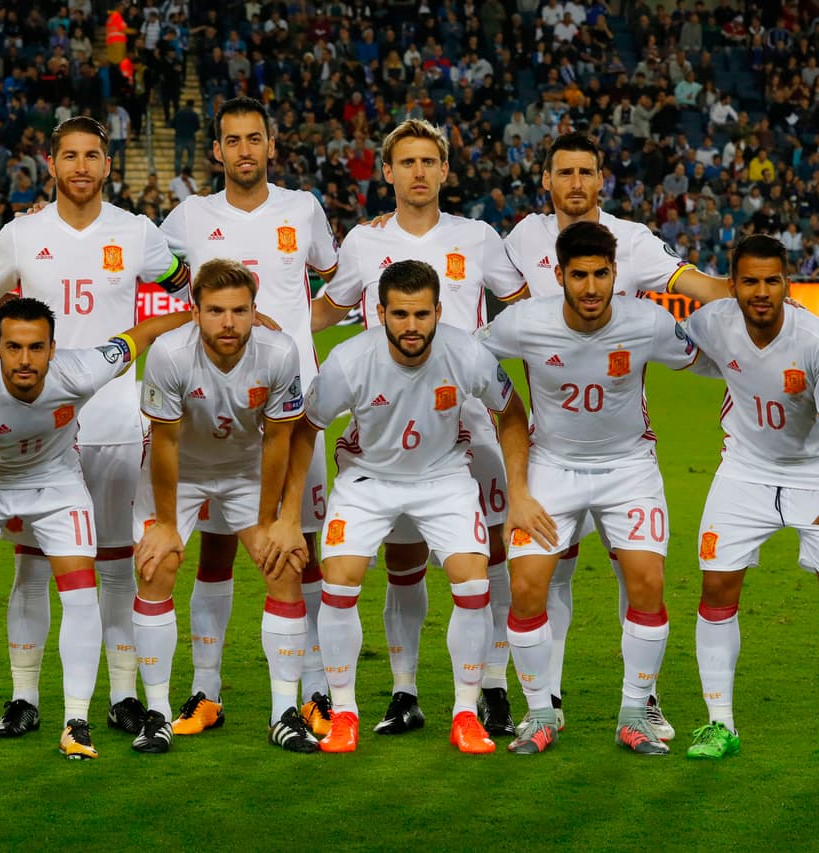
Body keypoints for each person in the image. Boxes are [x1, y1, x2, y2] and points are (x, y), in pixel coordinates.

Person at [494, 131, 732, 739]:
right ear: (546, 180)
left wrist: (756, 306)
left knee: (642, 577)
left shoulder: (634, 250)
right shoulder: (521, 240)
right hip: (551, 451)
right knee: (541, 580)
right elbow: (469, 328)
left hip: (626, 453)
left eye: (586, 173)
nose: (575, 183)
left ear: (603, 179)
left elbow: (696, 298)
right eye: (564, 173)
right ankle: (542, 702)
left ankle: (640, 703)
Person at [0, 115, 190, 739]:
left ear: (107, 164)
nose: (82, 166)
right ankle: (24, 696)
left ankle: (121, 694)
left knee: (117, 562)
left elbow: (183, 282)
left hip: (117, 420)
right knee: (34, 564)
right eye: (70, 155)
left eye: (93, 155)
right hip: (38, 429)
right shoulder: (22, 233)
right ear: (52, 164)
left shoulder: (136, 231)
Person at [263, 259, 536, 754]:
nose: (412, 327)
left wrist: (518, 493)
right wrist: (287, 515)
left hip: (444, 477)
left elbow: (512, 411)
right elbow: (306, 428)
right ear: (380, 312)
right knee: (339, 580)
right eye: (400, 314)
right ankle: (344, 712)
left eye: (421, 314)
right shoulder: (349, 360)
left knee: (474, 582)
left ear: (437, 311)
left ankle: (464, 714)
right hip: (369, 479)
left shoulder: (466, 354)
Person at [310, 118, 528, 740]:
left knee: (491, 559)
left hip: (471, 418)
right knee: (403, 560)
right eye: (406, 162)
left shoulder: (478, 237)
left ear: (445, 169)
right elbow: (328, 309)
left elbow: (524, 304)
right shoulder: (363, 241)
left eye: (429, 161)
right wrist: (269, 330)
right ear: (388, 172)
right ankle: (404, 692)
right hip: (388, 419)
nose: (418, 172)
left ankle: (492, 687)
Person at [0, 297, 190, 761]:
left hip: (55, 481)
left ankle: (76, 721)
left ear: (53, 349)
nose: (24, 360)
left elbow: (143, 334)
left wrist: (204, 313)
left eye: (35, 347)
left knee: (80, 592)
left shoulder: (82, 369)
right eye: (12, 347)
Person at [477, 221, 702, 756]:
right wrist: (504, 401)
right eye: (579, 275)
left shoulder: (647, 320)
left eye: (601, 274)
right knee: (528, 588)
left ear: (615, 273)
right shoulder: (525, 322)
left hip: (629, 469)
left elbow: (705, 358)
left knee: (647, 583)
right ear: (559, 276)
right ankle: (539, 715)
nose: (592, 287)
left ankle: (635, 712)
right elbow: (469, 357)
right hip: (551, 468)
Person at [159, 96, 339, 738]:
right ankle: (205, 693)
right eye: (231, 140)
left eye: (253, 138)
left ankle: (314, 688)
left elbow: (333, 284)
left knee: (298, 545)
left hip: (293, 406)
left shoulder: (303, 209)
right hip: (212, 409)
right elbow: (153, 275)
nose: (243, 150)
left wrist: (294, 335)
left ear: (271, 144)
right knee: (214, 552)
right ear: (216, 151)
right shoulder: (186, 218)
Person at [682, 235, 819, 764]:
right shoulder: (713, 321)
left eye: (772, 280)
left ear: (787, 282)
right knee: (716, 586)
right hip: (744, 470)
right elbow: (674, 349)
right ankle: (719, 724)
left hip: (815, 475)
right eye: (749, 281)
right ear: (733, 283)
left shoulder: (817, 340)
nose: (761, 292)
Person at [128, 259, 316, 754]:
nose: (228, 323)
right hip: (180, 473)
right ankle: (157, 713)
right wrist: (166, 524)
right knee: (157, 566)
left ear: (256, 311)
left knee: (285, 567)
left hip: (244, 472)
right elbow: (164, 445)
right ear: (195, 312)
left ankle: (284, 712)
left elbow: (280, 441)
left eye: (239, 311)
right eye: (215, 311)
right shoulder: (169, 355)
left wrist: (273, 521)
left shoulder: (279, 352)